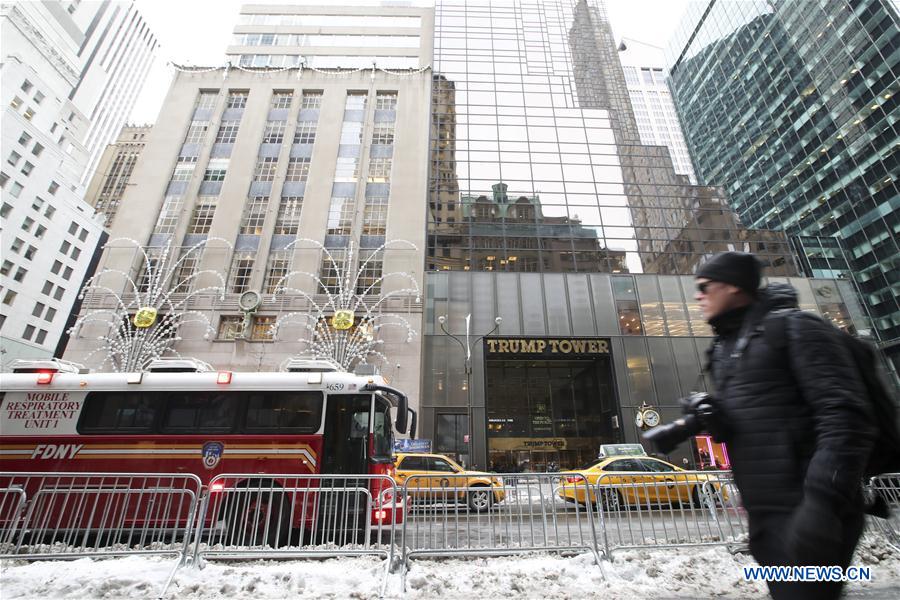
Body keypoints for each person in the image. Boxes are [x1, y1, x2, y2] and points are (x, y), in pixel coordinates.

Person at [694, 251, 875, 600]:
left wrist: (821, 506)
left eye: (704, 286)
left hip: (809, 514)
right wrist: (707, 418)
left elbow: (847, 418)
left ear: (732, 287)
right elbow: (759, 421)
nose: (698, 296)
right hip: (766, 519)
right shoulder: (725, 349)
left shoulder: (796, 328)